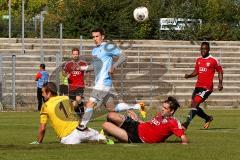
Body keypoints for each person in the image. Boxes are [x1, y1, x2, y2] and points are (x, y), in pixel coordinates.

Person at [78, 28, 145, 130]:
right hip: (98, 82)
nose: (95, 38)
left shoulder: (108, 46)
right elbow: (94, 66)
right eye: (93, 36)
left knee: (90, 103)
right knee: (111, 109)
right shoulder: (95, 50)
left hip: (104, 82)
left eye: (97, 36)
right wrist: (82, 68)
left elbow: (123, 56)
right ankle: (138, 106)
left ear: (102, 37)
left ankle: (82, 126)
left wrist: (114, 66)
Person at [30, 82, 106, 144]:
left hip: (68, 137)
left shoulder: (45, 106)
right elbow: (73, 107)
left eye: (43, 92)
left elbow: (42, 128)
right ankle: (103, 134)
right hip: (80, 130)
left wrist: (38, 142)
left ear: (49, 93)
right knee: (99, 137)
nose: (42, 94)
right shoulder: (65, 98)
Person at [102, 96, 188, 144]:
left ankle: (110, 133)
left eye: (165, 108)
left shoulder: (173, 122)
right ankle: (112, 133)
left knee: (106, 125)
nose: (162, 109)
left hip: (138, 138)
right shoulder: (159, 115)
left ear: (172, 111)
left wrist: (183, 144)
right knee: (111, 115)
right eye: (162, 106)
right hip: (136, 125)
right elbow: (148, 124)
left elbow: (184, 138)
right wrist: (136, 119)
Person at [182, 42, 223, 129]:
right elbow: (196, 72)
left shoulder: (213, 60)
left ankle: (186, 124)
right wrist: (189, 76)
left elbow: (220, 71)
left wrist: (220, 83)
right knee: (194, 105)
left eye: (205, 49)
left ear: (209, 49)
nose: (203, 50)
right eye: (202, 49)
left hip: (207, 88)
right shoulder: (199, 60)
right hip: (198, 87)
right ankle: (208, 118)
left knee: (195, 103)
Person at [63, 48, 90, 116]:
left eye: (76, 54)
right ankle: (80, 115)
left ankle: (83, 112)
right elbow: (64, 72)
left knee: (78, 99)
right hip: (71, 86)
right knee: (74, 105)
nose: (75, 55)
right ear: (72, 54)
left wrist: (87, 80)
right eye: (74, 54)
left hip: (80, 85)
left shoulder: (83, 63)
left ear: (79, 54)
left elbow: (88, 71)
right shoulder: (68, 64)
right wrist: (66, 75)